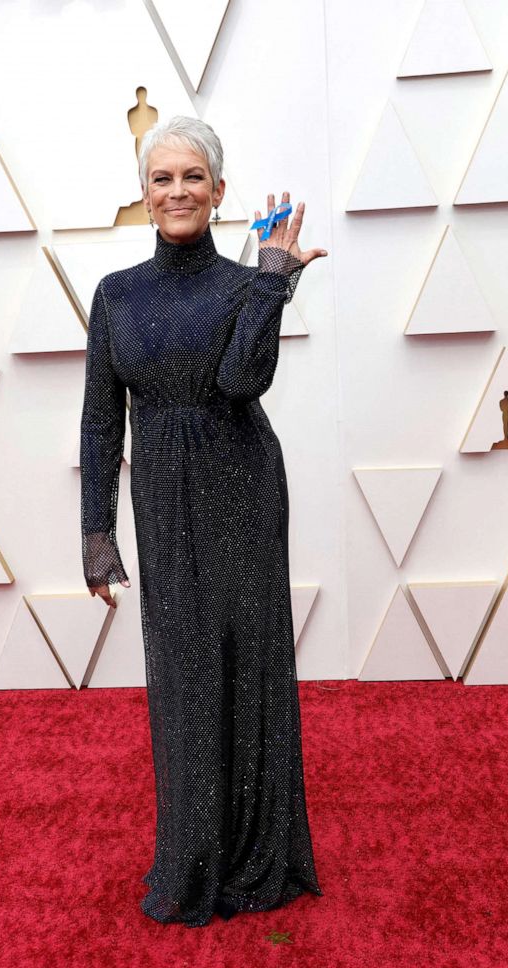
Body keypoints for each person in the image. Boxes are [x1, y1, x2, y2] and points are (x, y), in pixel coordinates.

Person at [79, 115, 328, 927]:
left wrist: (272, 282)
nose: (178, 191)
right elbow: (98, 422)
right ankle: (193, 854)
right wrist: (96, 533)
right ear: (144, 193)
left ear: (219, 193)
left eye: (194, 177)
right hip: (162, 492)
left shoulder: (242, 284)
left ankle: (260, 851)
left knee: (248, 663)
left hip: (244, 485)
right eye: (162, 178)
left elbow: (239, 381)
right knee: (184, 673)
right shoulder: (115, 295)